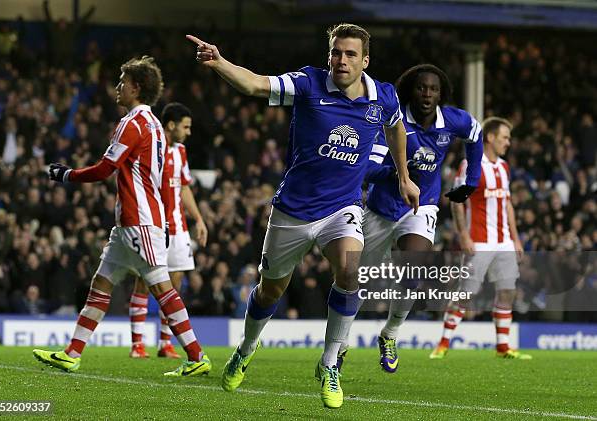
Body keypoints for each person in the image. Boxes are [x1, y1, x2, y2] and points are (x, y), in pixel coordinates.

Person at [186, 23, 419, 408]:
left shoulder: (384, 97)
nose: (340, 60)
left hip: (341, 208)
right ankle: (246, 348)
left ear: (365, 60)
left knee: (350, 271)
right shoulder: (308, 84)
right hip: (293, 210)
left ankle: (330, 363)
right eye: (335, 53)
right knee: (270, 289)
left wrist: (405, 177)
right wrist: (219, 62)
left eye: (349, 54)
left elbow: (396, 129)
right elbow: (255, 85)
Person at [32, 56, 211, 376]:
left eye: (122, 82)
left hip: (139, 219)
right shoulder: (155, 125)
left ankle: (196, 356)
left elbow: (105, 169)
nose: (117, 87)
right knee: (100, 284)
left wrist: (67, 176)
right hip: (132, 222)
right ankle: (72, 353)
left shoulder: (133, 123)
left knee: (162, 288)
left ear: (136, 87)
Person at [338, 64, 483, 373]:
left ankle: (390, 334)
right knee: (354, 279)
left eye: (433, 89)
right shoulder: (394, 122)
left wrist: (471, 180)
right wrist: (399, 172)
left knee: (414, 272)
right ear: (410, 91)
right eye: (421, 88)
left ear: (441, 93)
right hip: (380, 209)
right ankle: (340, 341)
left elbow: (476, 133)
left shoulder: (451, 121)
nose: (427, 94)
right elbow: (367, 169)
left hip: (421, 208)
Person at [430, 116, 531, 360]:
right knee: (467, 294)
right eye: (505, 137)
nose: (508, 142)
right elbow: (456, 202)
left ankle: (503, 347)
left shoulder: (504, 167)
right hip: (479, 241)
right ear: (491, 137)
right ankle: (443, 343)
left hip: (503, 241)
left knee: (507, 291)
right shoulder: (470, 165)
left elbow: (507, 204)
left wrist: (516, 239)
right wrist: (463, 234)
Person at [128, 102, 209, 360]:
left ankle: (165, 343)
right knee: (145, 281)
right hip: (153, 226)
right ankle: (137, 344)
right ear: (171, 125)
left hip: (178, 229)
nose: (188, 132)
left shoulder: (181, 152)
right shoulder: (153, 149)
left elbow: (184, 187)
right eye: (185, 127)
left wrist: (198, 219)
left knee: (174, 287)